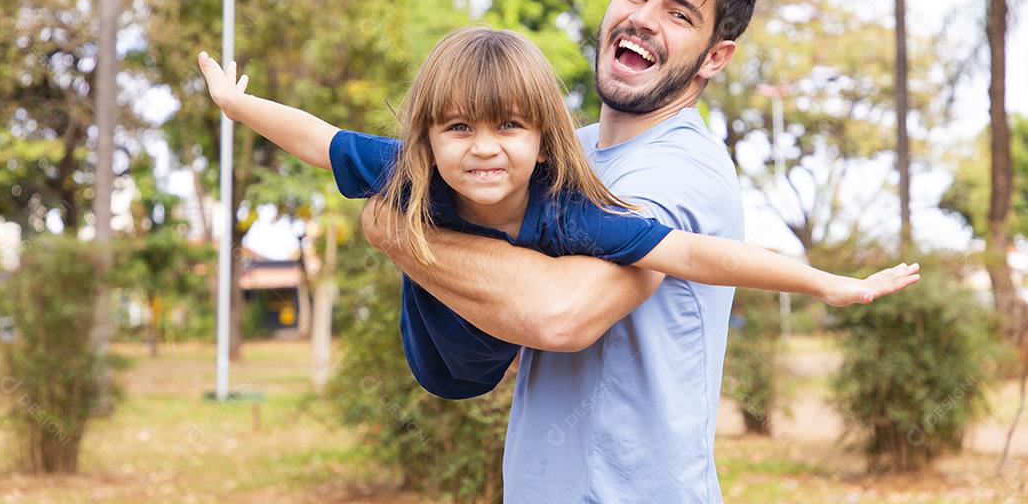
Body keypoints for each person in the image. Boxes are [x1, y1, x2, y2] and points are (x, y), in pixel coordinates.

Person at [357, 0, 874, 503]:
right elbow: (507, 322)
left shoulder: (678, 171)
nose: (645, 19)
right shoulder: (555, 160)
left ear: (715, 57)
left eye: (680, 13)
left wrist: (401, 231)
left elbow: (559, 315)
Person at [198, 21, 919, 403]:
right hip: (435, 357)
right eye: (458, 129)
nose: (484, 150)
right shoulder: (410, 171)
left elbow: (694, 253)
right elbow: (316, 138)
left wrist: (824, 281)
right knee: (390, 206)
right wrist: (235, 104)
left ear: (546, 139)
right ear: (425, 137)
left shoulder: (573, 214)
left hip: (503, 347)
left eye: (508, 128)